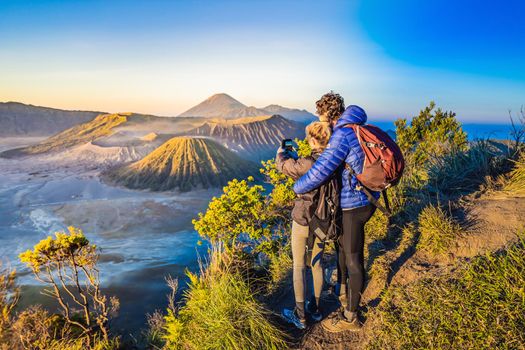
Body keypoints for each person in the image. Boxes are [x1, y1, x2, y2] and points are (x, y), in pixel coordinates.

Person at [293, 92, 379, 332]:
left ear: (330, 116)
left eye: (322, 118)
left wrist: (297, 187)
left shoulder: (342, 134)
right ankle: (342, 290)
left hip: (354, 203)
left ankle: (351, 316)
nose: (321, 124)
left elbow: (320, 171)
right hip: (367, 198)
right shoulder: (358, 125)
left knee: (353, 258)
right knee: (342, 247)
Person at [276, 121, 333, 329]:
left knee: (299, 265)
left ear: (312, 140)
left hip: (302, 219)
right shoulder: (334, 160)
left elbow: (283, 166)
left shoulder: (308, 163)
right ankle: (315, 310)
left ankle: (300, 316)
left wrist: (282, 152)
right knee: (317, 264)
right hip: (323, 220)